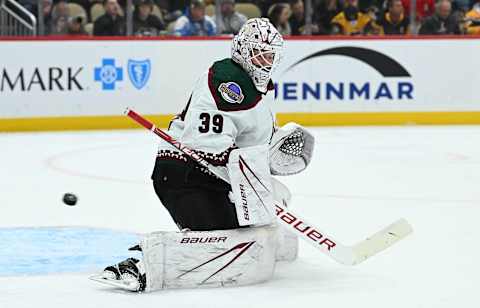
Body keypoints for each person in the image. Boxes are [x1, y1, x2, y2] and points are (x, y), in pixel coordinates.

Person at [92, 18, 313, 293]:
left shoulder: (261, 88)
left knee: (256, 227)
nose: (267, 62)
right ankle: (142, 262)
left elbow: (249, 139)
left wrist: (268, 158)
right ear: (244, 52)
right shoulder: (227, 83)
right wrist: (254, 178)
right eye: (261, 54)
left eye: (271, 55)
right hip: (185, 176)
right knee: (230, 242)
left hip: (214, 179)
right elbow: (206, 146)